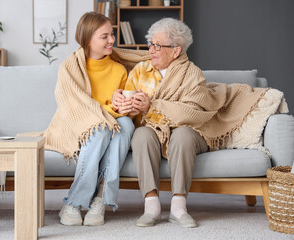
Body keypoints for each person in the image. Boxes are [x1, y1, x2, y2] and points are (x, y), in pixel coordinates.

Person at [112, 18, 267, 228]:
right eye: (151, 44)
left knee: (182, 134)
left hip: (191, 131)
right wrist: (125, 105)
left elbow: (192, 113)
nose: (151, 50)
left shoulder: (192, 74)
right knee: (141, 135)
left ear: (176, 51)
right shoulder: (140, 71)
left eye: (158, 45)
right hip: (153, 131)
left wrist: (152, 107)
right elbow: (127, 115)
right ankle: (151, 206)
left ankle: (178, 207)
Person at [44, 12, 134, 226]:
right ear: (87, 40)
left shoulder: (119, 69)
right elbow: (73, 104)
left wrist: (120, 104)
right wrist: (109, 107)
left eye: (112, 34)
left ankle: (100, 199)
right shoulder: (71, 67)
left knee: (126, 124)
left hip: (111, 120)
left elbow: (122, 110)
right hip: (79, 122)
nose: (111, 40)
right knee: (101, 127)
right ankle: (74, 202)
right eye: (104, 36)